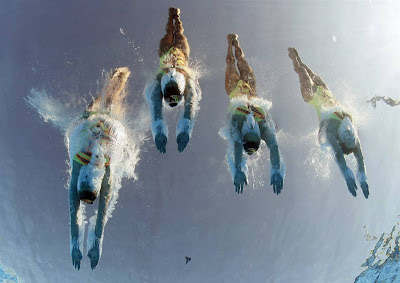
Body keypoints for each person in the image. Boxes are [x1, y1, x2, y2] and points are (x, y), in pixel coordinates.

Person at [69, 67, 131, 270]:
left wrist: (77, 246)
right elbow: (87, 217)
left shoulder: (87, 170)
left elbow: (92, 218)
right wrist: (90, 246)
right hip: (104, 134)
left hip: (97, 134)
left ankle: (115, 82)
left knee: (97, 108)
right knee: (105, 106)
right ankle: (119, 80)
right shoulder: (103, 177)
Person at [288, 47, 369, 198]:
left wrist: (347, 175)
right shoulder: (353, 137)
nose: (350, 131)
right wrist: (362, 177)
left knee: (303, 73)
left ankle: (294, 60)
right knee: (313, 74)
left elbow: (338, 154)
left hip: (312, 96)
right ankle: (300, 60)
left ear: (340, 139)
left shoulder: (331, 130)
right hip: (326, 93)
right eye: (353, 134)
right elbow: (361, 159)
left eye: (346, 135)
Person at [224, 34, 284, 194]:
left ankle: (229, 43)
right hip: (251, 89)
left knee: (230, 63)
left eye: (247, 135)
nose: (250, 128)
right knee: (242, 61)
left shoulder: (237, 129)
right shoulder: (264, 129)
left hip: (234, 90)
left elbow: (236, 146)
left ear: (244, 136)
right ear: (259, 137)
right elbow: (274, 147)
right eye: (254, 135)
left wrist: (237, 170)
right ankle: (236, 43)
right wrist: (276, 170)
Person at [146, 7, 200, 154]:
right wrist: (185, 131)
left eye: (169, 97)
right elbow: (189, 108)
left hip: (165, 55)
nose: (172, 93)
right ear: (181, 94)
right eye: (175, 96)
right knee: (179, 33)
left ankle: (171, 15)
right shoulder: (187, 87)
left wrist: (159, 133)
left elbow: (156, 111)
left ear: (164, 96)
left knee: (169, 33)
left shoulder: (158, 90)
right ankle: (177, 16)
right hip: (182, 56)